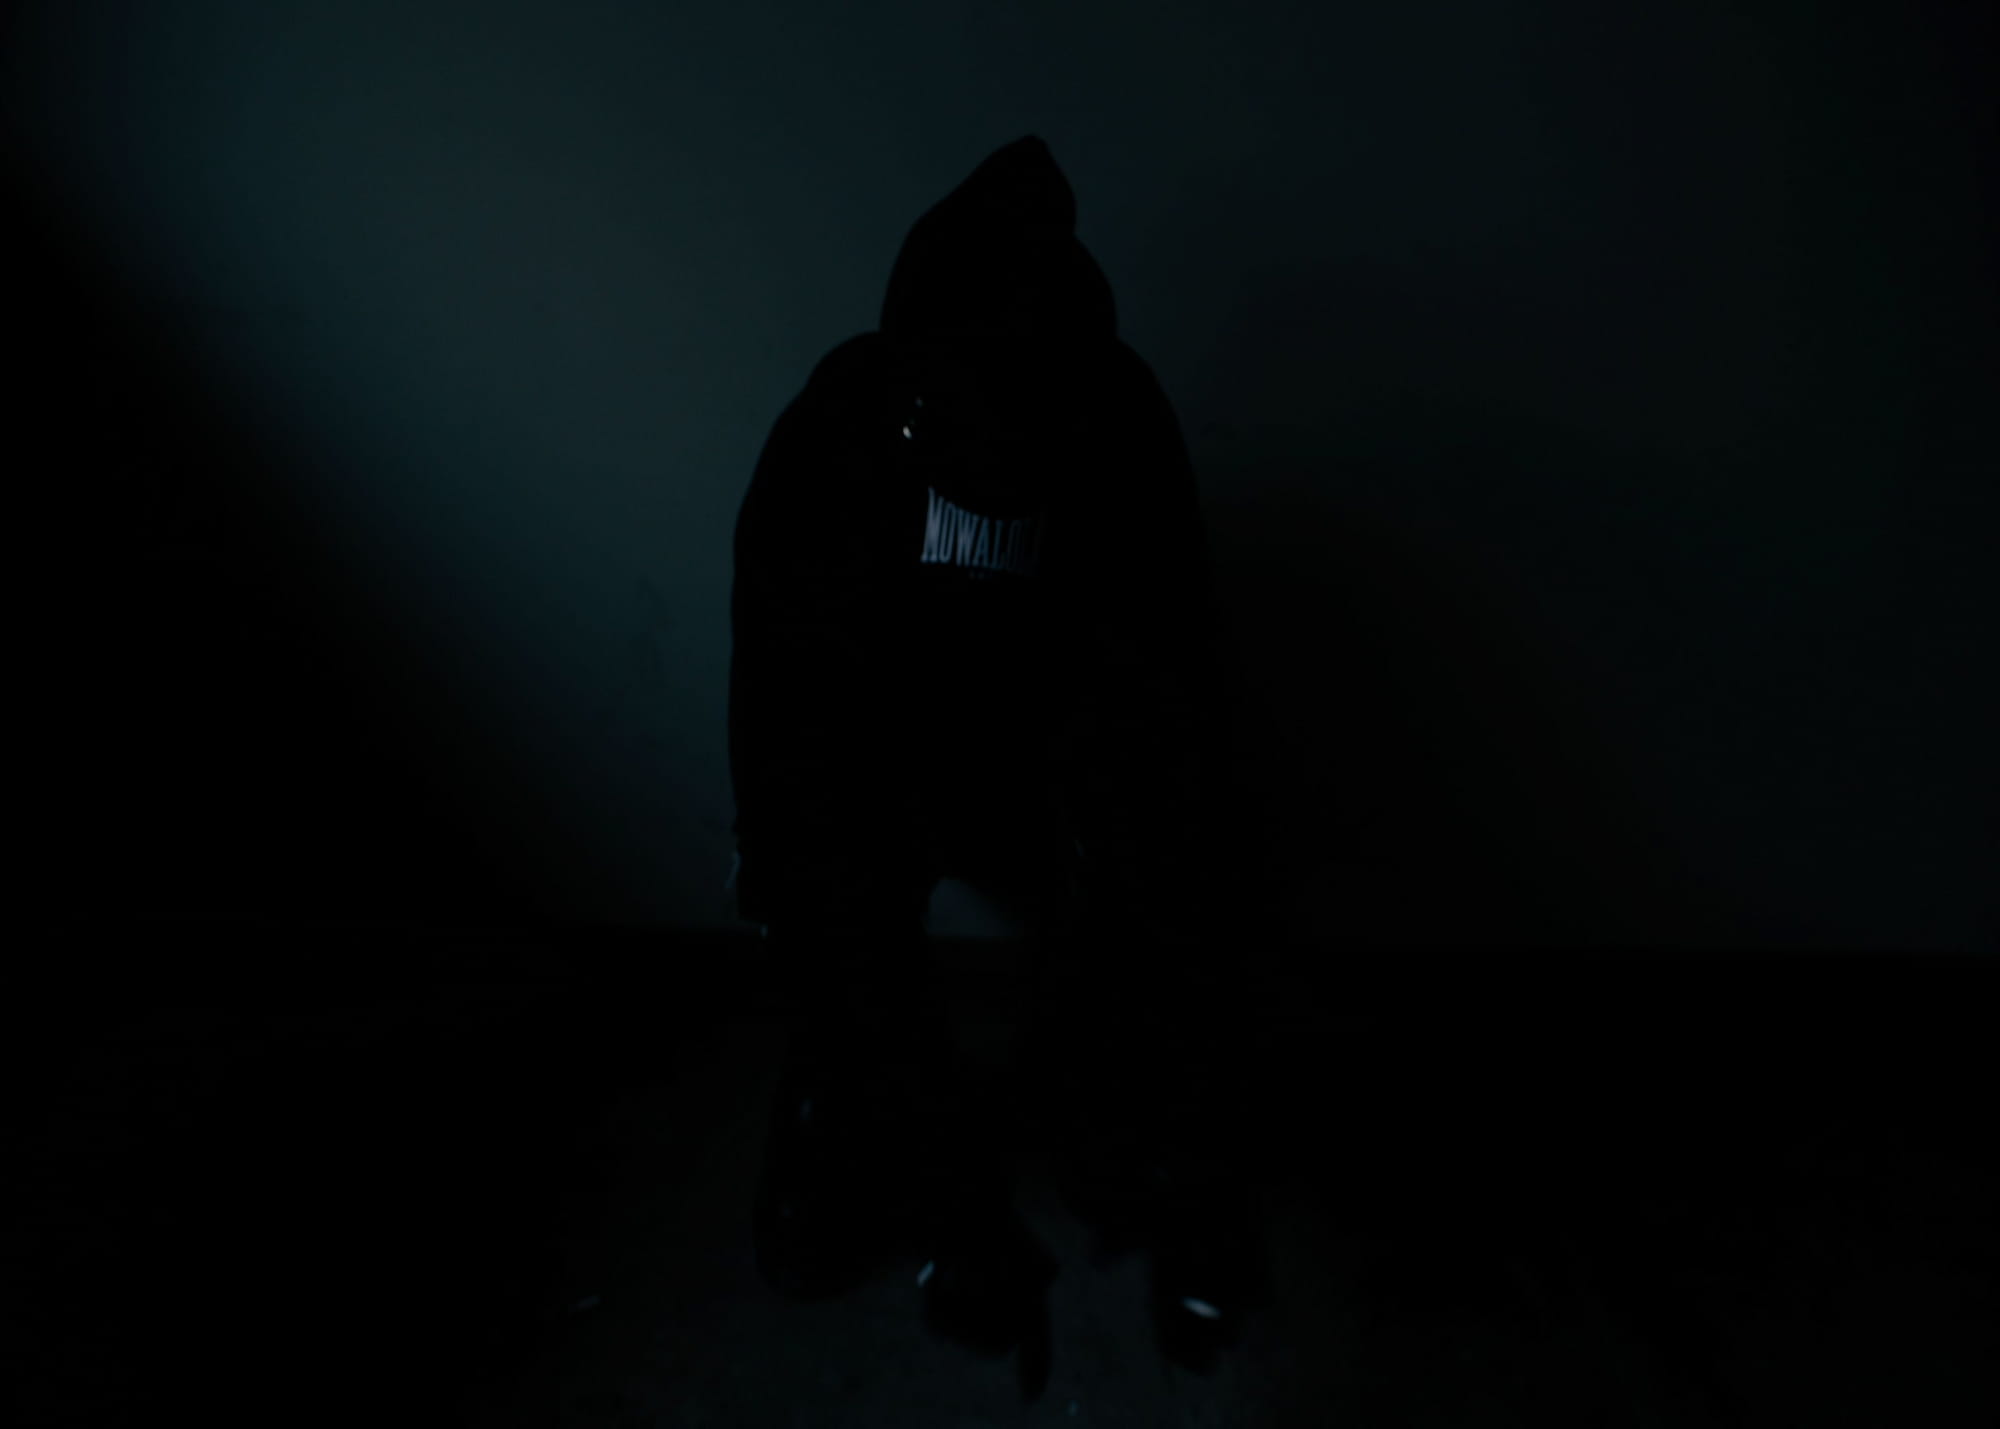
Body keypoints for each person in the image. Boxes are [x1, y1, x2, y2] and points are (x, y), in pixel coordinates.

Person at [727, 134, 1270, 1385]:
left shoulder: (1117, 425)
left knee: (1176, 850)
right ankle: (845, 1102)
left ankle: (1115, 1102)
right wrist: (945, 1195)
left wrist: (1178, 1133)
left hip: (1054, 741)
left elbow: (1168, 724)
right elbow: (798, 772)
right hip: (884, 744)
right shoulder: (833, 438)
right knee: (811, 876)